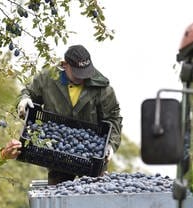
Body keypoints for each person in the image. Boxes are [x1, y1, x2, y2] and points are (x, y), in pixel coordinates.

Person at [17, 44, 123, 185]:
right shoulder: (48, 78)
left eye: (85, 72)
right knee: (58, 198)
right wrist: (24, 100)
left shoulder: (102, 88)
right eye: (77, 72)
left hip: (92, 158)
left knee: (94, 196)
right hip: (58, 154)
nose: (82, 77)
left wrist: (111, 145)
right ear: (64, 65)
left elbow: (113, 117)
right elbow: (28, 92)